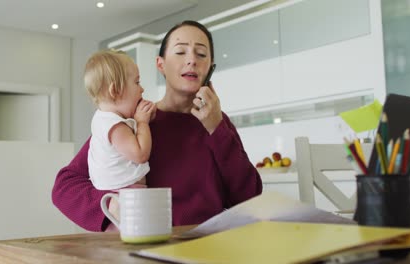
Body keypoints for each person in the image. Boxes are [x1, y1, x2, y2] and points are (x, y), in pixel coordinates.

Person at [52, 20, 262, 232]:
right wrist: (111, 207)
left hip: (208, 249)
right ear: (160, 64)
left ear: (210, 68)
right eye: (180, 52)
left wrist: (216, 128)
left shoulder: (218, 123)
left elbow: (249, 199)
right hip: (147, 250)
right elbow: (65, 186)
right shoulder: (136, 121)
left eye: (201, 54)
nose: (191, 60)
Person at [84, 50, 156, 220]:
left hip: (120, 194)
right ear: (115, 90)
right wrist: (142, 122)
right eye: (137, 82)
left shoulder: (104, 119)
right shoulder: (114, 126)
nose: (142, 89)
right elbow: (140, 154)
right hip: (125, 196)